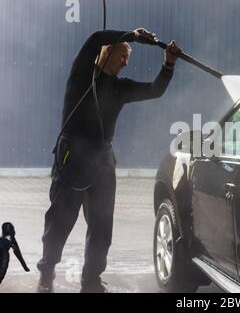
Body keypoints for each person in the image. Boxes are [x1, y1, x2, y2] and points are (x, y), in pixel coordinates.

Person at [36, 28, 181, 293]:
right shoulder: (82, 74)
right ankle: (47, 271)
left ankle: (91, 280)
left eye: (128, 56)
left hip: (102, 161)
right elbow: (93, 38)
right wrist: (133, 35)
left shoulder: (121, 88)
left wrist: (168, 65)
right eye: (123, 54)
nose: (126, 61)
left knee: (102, 224)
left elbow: (155, 90)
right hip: (71, 158)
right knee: (59, 220)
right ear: (109, 51)